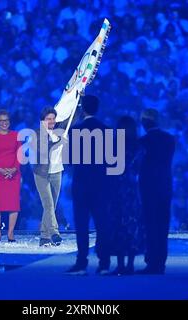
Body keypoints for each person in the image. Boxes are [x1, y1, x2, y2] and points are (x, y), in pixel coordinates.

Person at [65, 95, 111, 275]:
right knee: (102, 223)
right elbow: (111, 162)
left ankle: (81, 262)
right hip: (101, 184)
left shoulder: (75, 130)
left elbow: (69, 160)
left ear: (82, 108)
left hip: (82, 184)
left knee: (82, 224)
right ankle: (104, 263)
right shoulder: (107, 131)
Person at [30, 106, 79, 247]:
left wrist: (79, 101)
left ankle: (44, 237)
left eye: (53, 118)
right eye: (48, 119)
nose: (51, 121)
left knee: (51, 206)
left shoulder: (59, 130)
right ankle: (54, 232)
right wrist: (59, 142)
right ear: (42, 120)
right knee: (49, 204)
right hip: (42, 174)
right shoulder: (37, 133)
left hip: (57, 172)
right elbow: (43, 149)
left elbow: (72, 118)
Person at [137, 108, 175, 274]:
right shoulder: (170, 139)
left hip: (148, 188)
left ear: (144, 123)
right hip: (165, 187)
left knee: (151, 225)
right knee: (163, 226)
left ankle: (152, 261)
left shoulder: (143, 141)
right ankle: (161, 262)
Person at [108, 116, 144, 275]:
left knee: (121, 226)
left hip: (121, 190)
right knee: (128, 226)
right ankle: (127, 264)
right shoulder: (138, 146)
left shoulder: (115, 146)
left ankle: (123, 264)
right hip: (127, 190)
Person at [0, 109, 22, 243]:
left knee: (13, 203)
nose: (4, 123)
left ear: (9, 121)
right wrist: (0, 169)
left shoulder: (16, 135)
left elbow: (20, 154)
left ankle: (11, 232)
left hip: (13, 173)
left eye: (6, 120)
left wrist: (13, 169)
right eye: (1, 121)